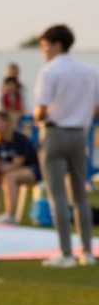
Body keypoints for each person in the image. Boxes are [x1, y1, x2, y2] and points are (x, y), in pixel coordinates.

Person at [32, 24, 98, 268]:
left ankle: (65, 252)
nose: (44, 51)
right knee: (80, 195)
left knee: (57, 195)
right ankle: (87, 252)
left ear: (57, 44)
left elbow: (40, 109)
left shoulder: (50, 70)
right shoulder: (90, 70)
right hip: (80, 134)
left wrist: (42, 117)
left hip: (55, 132)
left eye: (45, 46)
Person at [0, 109, 40, 224]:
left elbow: (18, 163)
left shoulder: (19, 139)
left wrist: (0, 169)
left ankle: (10, 215)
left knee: (10, 176)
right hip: (9, 171)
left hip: (31, 170)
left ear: (7, 122)